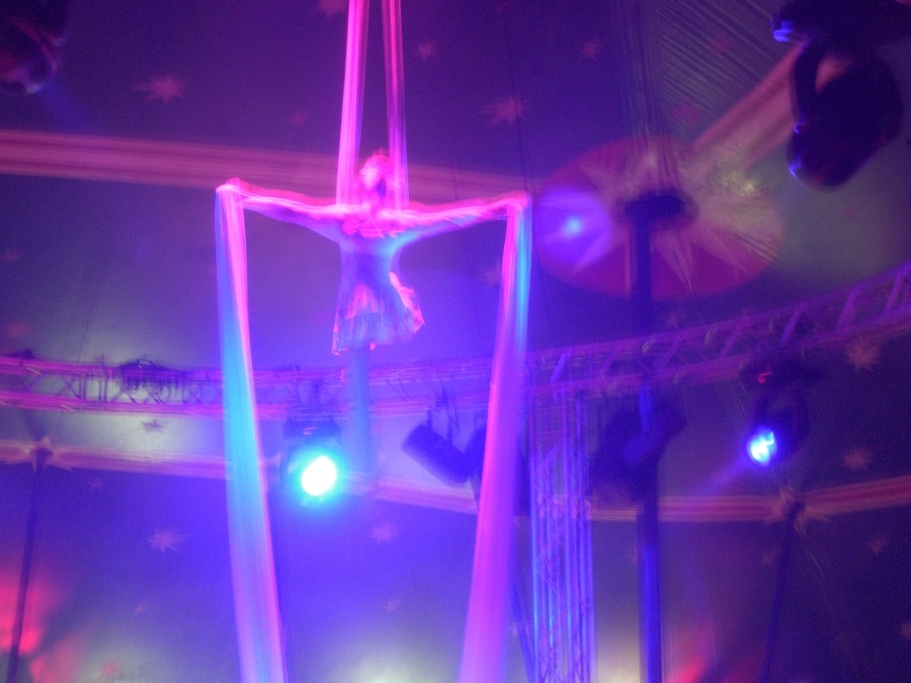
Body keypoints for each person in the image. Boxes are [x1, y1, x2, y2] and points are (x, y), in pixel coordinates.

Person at [223, 152, 526, 353]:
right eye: (370, 167)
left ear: (385, 184)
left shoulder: (396, 223)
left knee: (375, 359)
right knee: (359, 362)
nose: (373, 169)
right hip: (357, 301)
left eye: (378, 169)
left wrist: (493, 209)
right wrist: (249, 198)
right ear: (361, 181)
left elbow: (448, 218)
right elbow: (295, 211)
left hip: (384, 301)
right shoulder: (345, 219)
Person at [772, 0, 911, 187]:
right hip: (878, 38)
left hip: (878, 45)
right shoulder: (815, 122)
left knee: (786, 27)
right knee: (786, 26)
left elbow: (810, 55)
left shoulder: (867, 138)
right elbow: (809, 55)